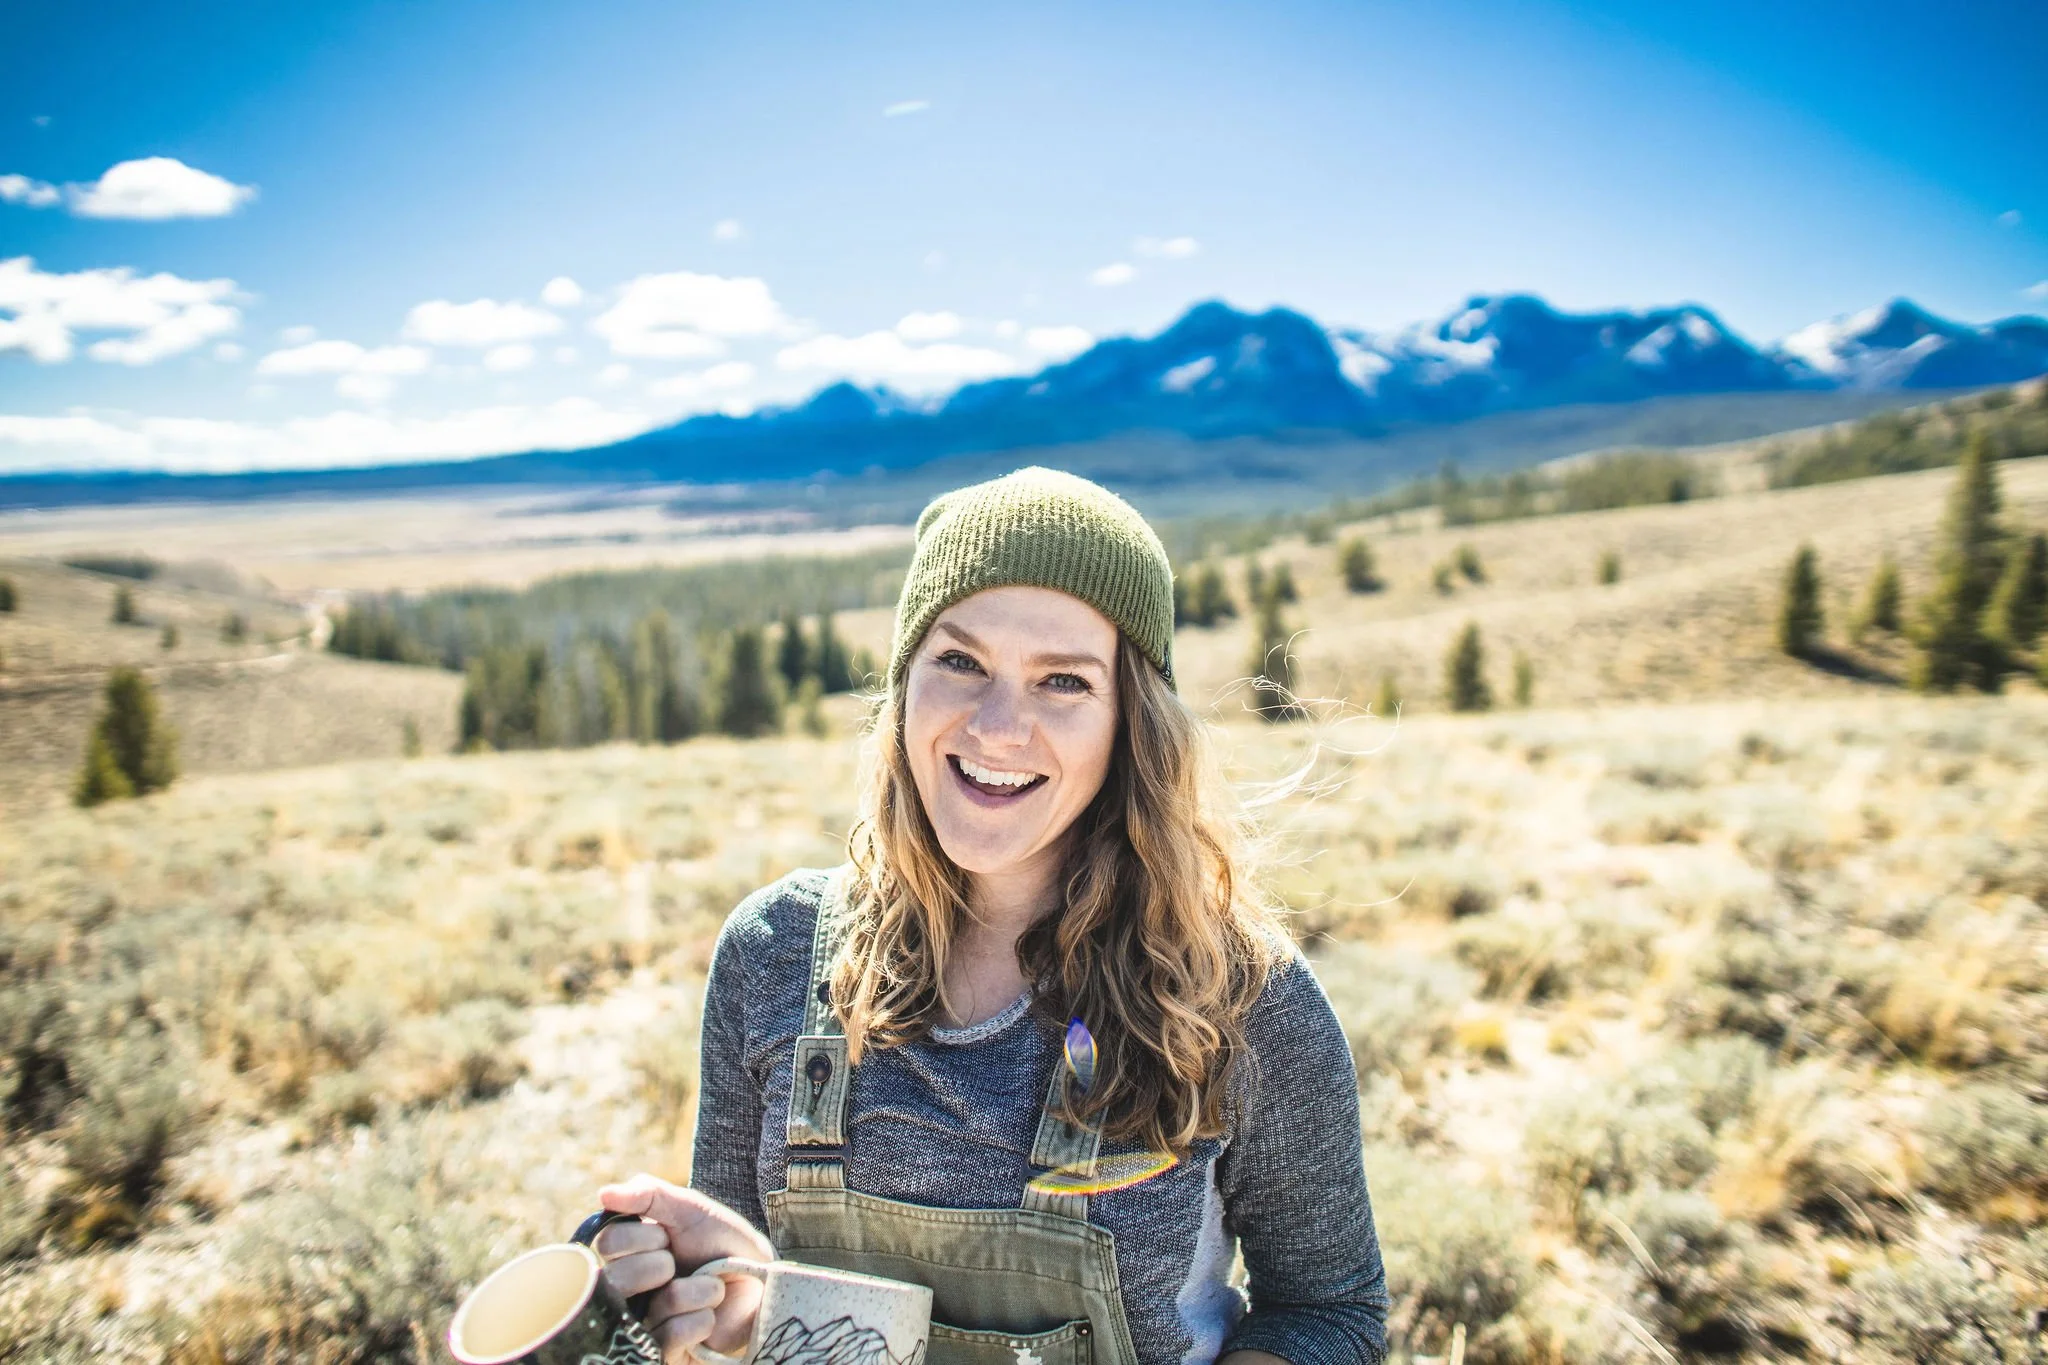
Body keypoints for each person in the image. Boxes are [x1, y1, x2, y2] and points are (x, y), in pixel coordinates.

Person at [591, 467, 1387, 1364]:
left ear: (1132, 721)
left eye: (1064, 682)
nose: (999, 728)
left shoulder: (1240, 996)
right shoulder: (771, 956)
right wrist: (737, 1298)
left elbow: (1328, 1309)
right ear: (904, 687)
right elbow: (756, 1309)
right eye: (960, 662)